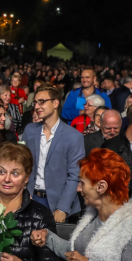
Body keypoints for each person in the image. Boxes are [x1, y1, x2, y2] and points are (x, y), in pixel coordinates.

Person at [23, 86, 84, 223]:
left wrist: (62, 208)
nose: (37, 106)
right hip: (32, 199)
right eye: (35, 102)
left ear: (55, 103)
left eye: (42, 101)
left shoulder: (73, 136)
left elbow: (75, 175)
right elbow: (23, 165)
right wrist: (25, 194)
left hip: (59, 202)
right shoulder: (30, 130)